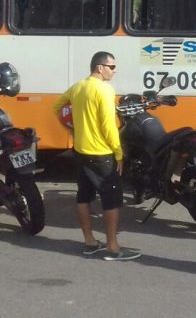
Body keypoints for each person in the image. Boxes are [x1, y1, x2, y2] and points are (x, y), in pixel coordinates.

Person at [52, 52, 140, 261]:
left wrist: (74, 131)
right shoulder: (105, 90)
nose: (114, 70)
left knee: (84, 196)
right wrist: (118, 154)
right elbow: (109, 126)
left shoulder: (78, 87)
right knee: (111, 201)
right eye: (112, 66)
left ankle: (90, 241)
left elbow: (57, 107)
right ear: (100, 68)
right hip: (101, 154)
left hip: (81, 151)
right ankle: (113, 247)